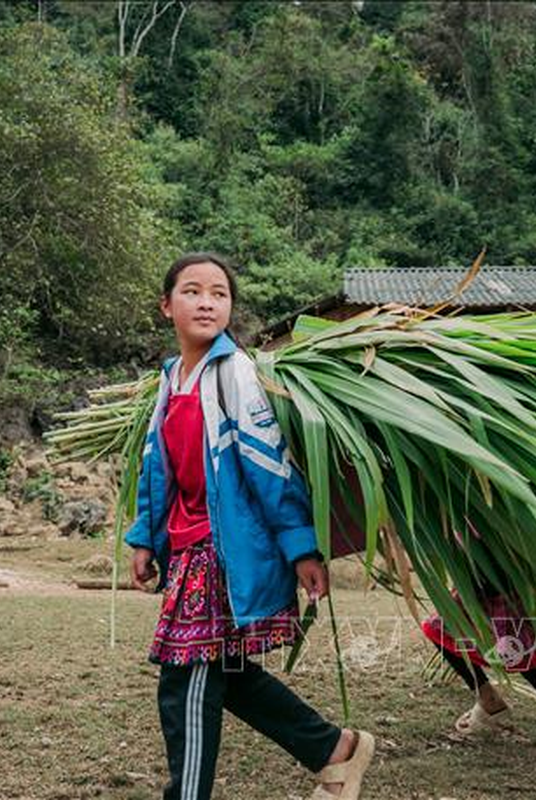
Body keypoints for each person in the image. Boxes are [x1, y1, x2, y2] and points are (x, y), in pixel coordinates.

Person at [126, 252, 374, 800]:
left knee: (185, 678)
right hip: (186, 550)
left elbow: (271, 466)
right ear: (167, 306)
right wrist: (145, 537)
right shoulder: (171, 379)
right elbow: (155, 469)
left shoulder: (233, 371)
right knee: (225, 673)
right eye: (192, 291)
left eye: (219, 292)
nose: (207, 301)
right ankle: (335, 749)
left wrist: (302, 548)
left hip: (223, 551)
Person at [422, 578, 536, 755]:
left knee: (523, 657)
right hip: (473, 586)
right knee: (439, 629)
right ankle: (489, 700)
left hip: (503, 587)